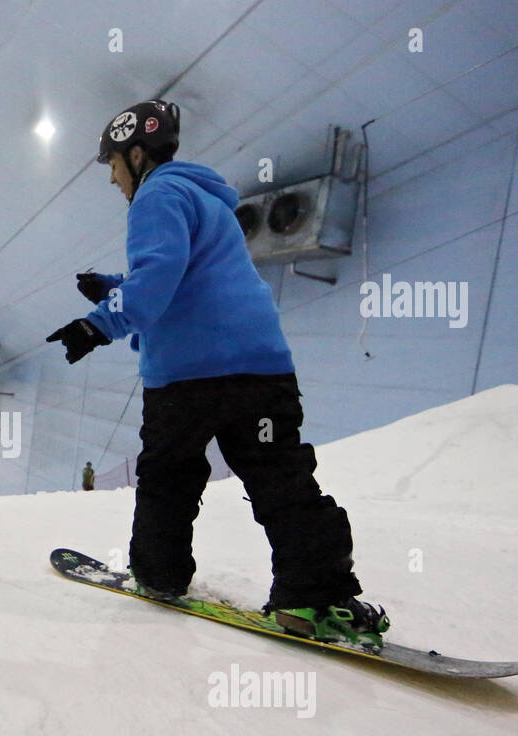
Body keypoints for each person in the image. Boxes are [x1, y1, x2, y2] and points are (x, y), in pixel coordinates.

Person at [45, 100, 388, 645]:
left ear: (137, 154)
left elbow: (156, 284)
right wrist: (114, 283)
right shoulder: (206, 199)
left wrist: (97, 324)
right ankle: (315, 596)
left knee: (169, 478)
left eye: (112, 164)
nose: (112, 178)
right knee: (280, 477)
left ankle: (158, 576)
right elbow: (192, 274)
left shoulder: (155, 194)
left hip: (185, 380)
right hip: (259, 373)